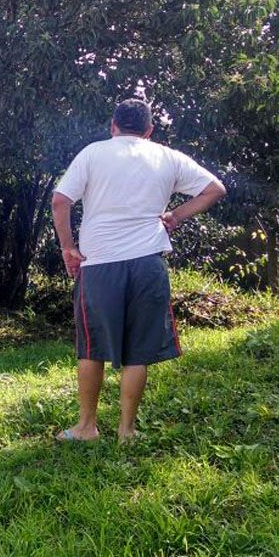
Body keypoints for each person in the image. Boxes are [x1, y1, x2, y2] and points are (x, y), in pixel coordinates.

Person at [51, 99, 226, 444]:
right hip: (148, 263)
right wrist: (176, 216)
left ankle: (86, 427)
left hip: (99, 264)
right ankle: (127, 431)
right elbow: (214, 189)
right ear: (148, 131)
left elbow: (61, 200)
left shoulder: (93, 153)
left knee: (92, 347)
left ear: (113, 126)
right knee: (139, 350)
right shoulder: (167, 156)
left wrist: (68, 248)